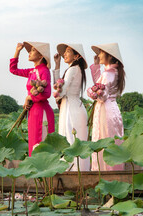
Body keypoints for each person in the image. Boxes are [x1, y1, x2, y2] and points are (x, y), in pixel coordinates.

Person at [9, 42, 55, 156]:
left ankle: (43, 172)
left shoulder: (44, 70)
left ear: (41, 56)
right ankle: (35, 171)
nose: (29, 52)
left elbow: (47, 93)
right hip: (33, 111)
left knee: (40, 144)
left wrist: (29, 97)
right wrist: (17, 51)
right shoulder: (32, 71)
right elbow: (13, 70)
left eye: (33, 50)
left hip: (41, 112)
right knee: (33, 143)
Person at [89, 43, 125, 171]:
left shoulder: (108, 74)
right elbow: (100, 83)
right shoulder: (113, 72)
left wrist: (91, 93)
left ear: (109, 56)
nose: (98, 55)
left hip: (105, 110)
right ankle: (115, 171)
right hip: (112, 109)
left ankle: (104, 172)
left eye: (101, 53)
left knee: (102, 138)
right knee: (112, 139)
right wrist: (97, 66)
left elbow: (101, 95)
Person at [53, 43, 89, 171]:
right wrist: (57, 65)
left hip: (70, 109)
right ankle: (80, 172)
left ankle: (71, 172)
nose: (64, 54)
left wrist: (56, 94)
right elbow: (60, 87)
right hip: (75, 106)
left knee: (69, 140)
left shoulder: (72, 69)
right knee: (77, 143)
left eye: (68, 51)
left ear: (77, 56)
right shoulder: (76, 69)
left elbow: (60, 91)